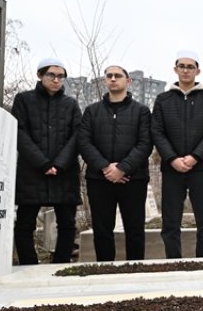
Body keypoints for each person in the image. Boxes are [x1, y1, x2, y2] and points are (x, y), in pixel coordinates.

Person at [77, 65, 153, 261]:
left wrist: (122, 168)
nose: (113, 79)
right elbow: (84, 142)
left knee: (135, 229)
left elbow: (145, 144)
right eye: (109, 76)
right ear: (104, 81)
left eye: (117, 76)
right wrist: (105, 167)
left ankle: (135, 269)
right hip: (99, 179)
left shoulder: (142, 111)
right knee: (102, 230)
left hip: (133, 179)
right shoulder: (92, 111)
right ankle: (105, 270)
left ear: (128, 81)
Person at [11, 58, 82, 264]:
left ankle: (61, 263)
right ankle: (28, 264)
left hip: (64, 171)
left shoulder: (70, 104)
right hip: (31, 171)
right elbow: (19, 133)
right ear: (40, 75)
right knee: (25, 222)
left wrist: (59, 164)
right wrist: (42, 163)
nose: (56, 80)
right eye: (51, 75)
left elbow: (77, 135)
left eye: (61, 76)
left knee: (67, 223)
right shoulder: (23, 100)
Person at [151, 50, 203, 258]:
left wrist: (194, 157)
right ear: (175, 69)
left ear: (198, 71)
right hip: (172, 169)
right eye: (182, 66)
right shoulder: (163, 99)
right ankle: (173, 262)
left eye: (190, 67)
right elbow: (157, 131)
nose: (186, 70)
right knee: (170, 222)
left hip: (201, 168)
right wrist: (172, 158)